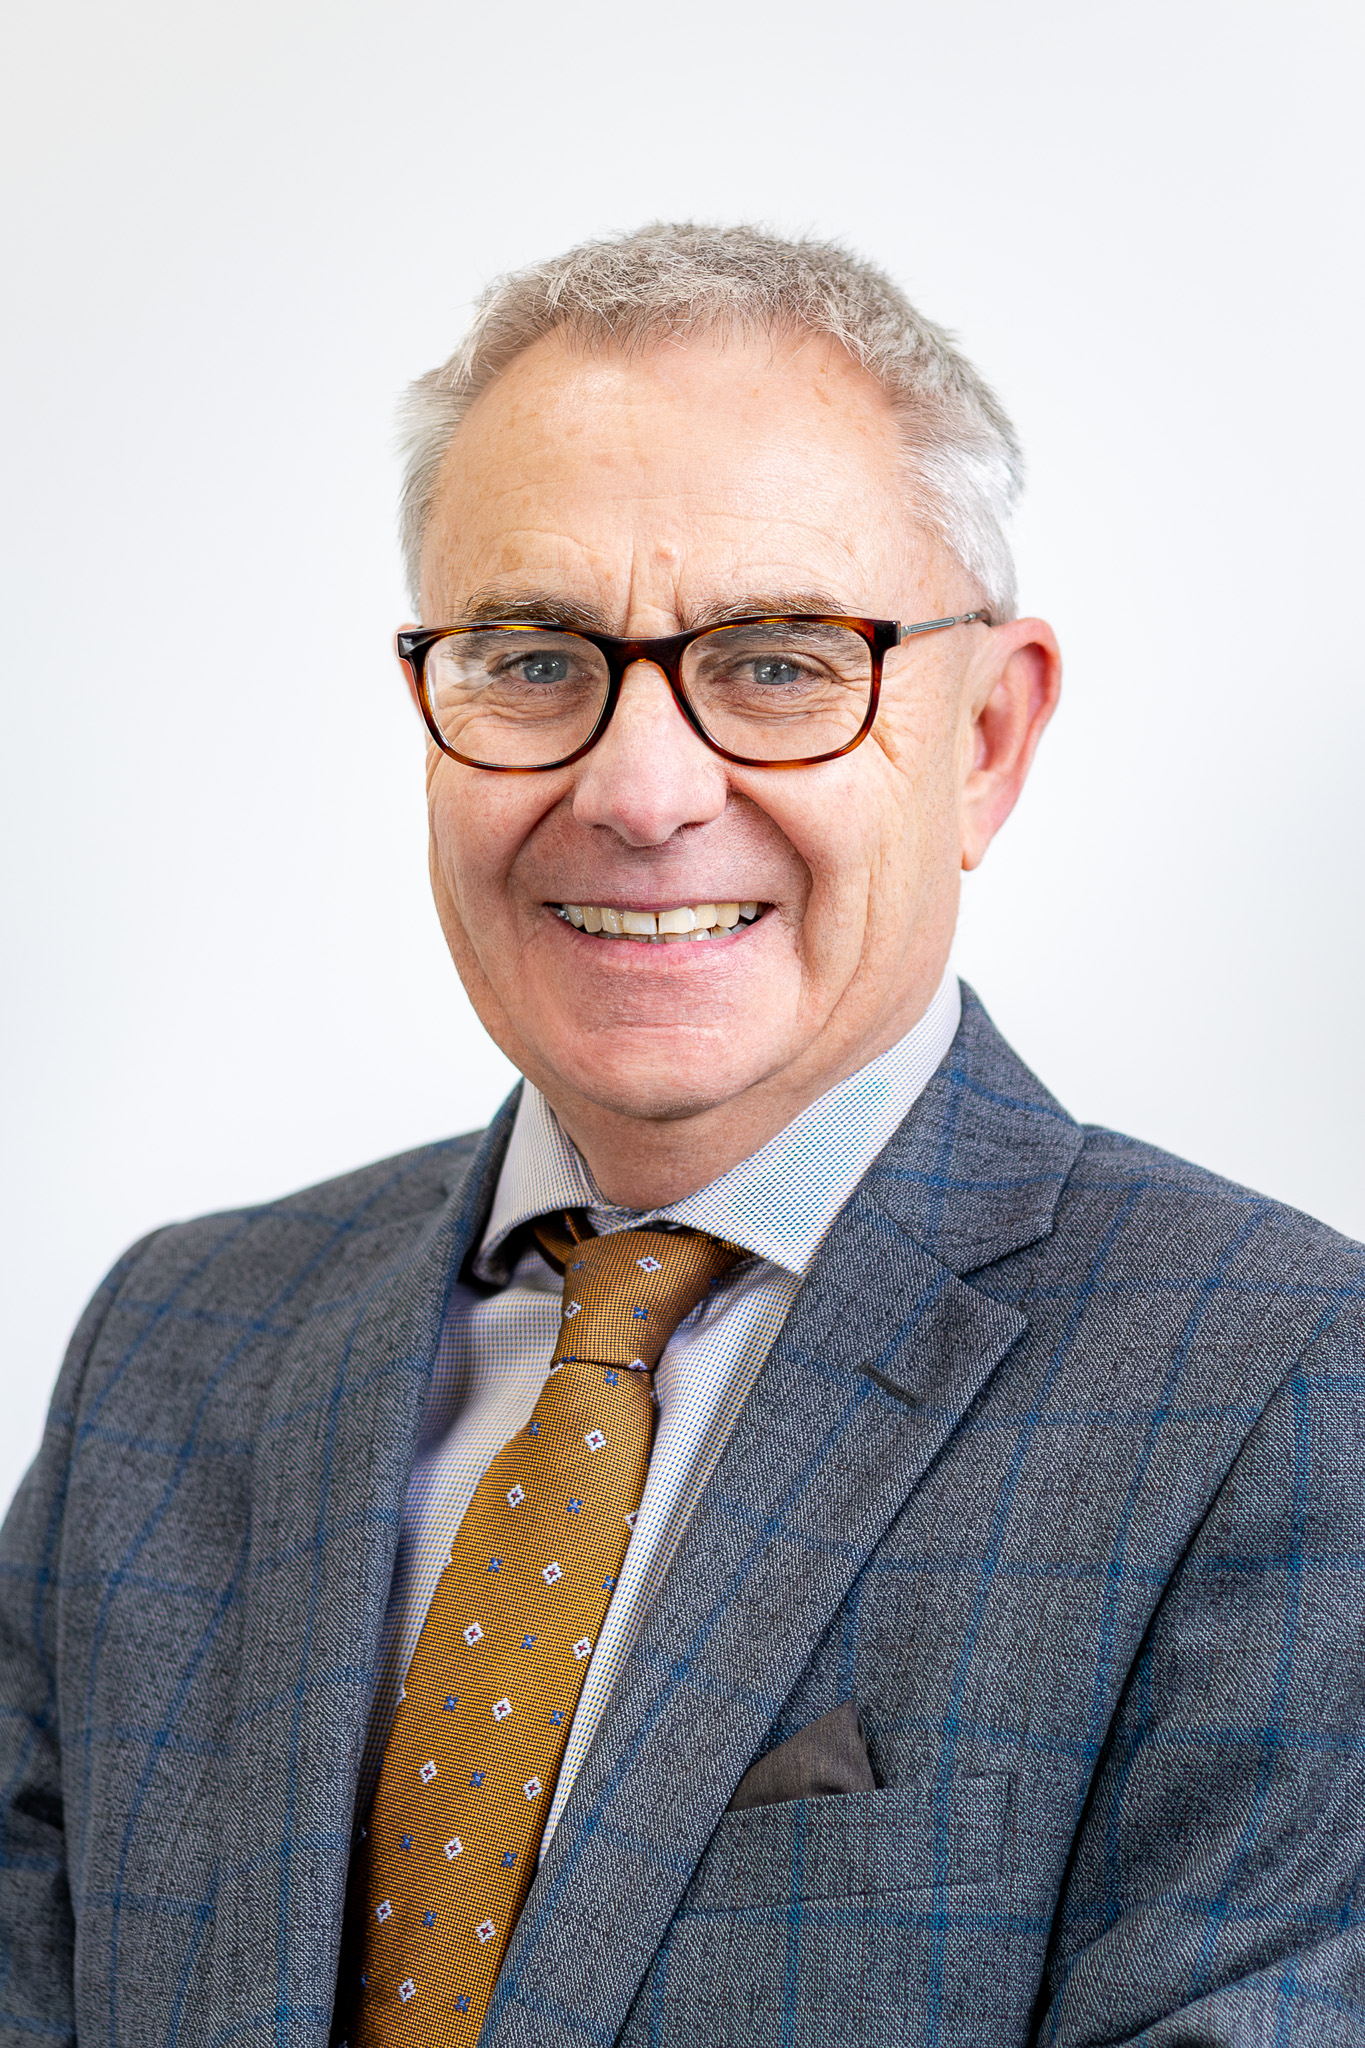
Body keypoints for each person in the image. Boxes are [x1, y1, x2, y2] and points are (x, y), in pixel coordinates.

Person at [2, 222, 1363, 2048]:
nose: (641, 793)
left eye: (781, 663)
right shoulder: (174, 1347)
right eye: (532, 659)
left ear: (986, 738)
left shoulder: (1280, 1391)